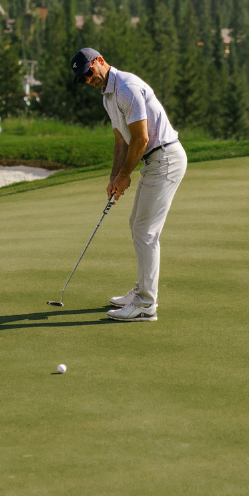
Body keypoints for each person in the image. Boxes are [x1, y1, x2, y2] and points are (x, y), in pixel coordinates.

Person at [71, 47, 186, 322]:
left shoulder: (126, 88)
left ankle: (146, 303)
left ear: (99, 61)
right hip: (154, 162)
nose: (89, 79)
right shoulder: (108, 97)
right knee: (138, 225)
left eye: (89, 72)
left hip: (165, 158)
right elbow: (121, 140)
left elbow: (141, 139)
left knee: (145, 231)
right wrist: (114, 177)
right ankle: (142, 291)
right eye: (83, 79)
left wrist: (125, 176)